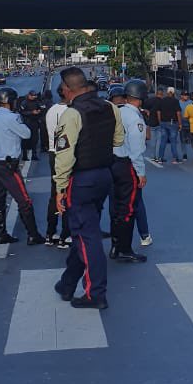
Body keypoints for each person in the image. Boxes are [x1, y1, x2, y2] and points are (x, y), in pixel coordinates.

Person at [52, 67, 125, 309]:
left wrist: (60, 189)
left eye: (62, 87)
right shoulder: (109, 106)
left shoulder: (71, 114)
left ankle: (95, 293)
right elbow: (118, 140)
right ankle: (67, 283)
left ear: (67, 88)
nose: (61, 91)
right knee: (83, 232)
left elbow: (64, 156)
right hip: (105, 176)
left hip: (81, 180)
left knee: (87, 236)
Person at [0, 87, 44, 246]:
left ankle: (1, 234)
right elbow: (26, 134)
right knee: (24, 200)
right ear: (10, 102)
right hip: (8, 166)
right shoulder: (12, 118)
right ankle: (33, 235)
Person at [110, 81, 151, 258]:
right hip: (127, 166)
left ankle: (115, 245)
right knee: (129, 209)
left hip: (112, 163)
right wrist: (141, 172)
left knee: (116, 208)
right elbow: (136, 149)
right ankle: (124, 249)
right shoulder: (135, 118)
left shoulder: (117, 111)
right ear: (140, 97)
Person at [44, 91, 70, 247]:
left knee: (54, 194)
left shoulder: (51, 110)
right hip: (65, 154)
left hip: (53, 154)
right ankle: (65, 235)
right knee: (67, 194)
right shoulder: (70, 112)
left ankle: (50, 233)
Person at [156, 86, 182, 163]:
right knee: (173, 141)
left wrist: (160, 121)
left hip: (163, 122)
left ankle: (160, 158)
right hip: (172, 123)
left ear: (167, 92)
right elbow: (178, 113)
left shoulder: (162, 100)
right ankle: (175, 158)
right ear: (173, 93)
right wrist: (180, 124)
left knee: (163, 140)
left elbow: (158, 112)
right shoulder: (176, 101)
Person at [19, 90, 46, 161]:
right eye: (33, 96)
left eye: (35, 96)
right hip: (27, 123)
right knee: (26, 139)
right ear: (29, 95)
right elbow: (22, 112)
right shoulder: (24, 102)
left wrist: (39, 110)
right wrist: (31, 112)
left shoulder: (37, 101)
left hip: (35, 123)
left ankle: (34, 155)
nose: (34, 97)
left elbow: (42, 107)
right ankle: (24, 155)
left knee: (35, 139)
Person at [178, 91, 192, 158]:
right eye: (185, 95)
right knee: (182, 140)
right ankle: (184, 154)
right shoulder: (178, 103)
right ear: (181, 96)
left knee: (192, 140)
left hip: (190, 124)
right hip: (182, 123)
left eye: (187, 95)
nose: (186, 96)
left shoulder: (191, 102)